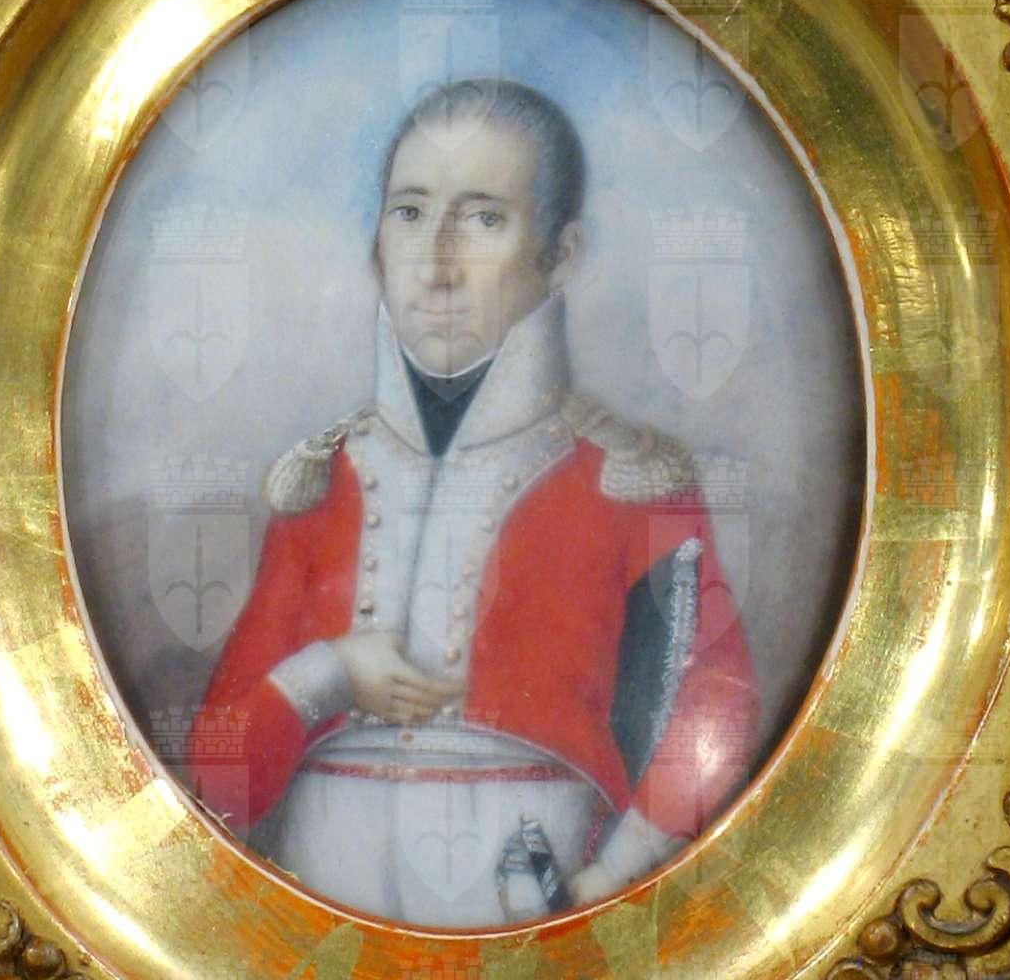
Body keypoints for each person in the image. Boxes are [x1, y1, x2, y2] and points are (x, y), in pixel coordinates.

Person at [183, 78, 760, 928]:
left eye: (485, 219)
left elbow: (718, 702)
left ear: (561, 254)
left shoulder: (632, 480)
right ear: (376, 243)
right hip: (319, 914)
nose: (437, 264)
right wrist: (330, 675)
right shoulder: (317, 481)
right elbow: (218, 777)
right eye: (410, 213)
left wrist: (613, 877)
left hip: (535, 909)